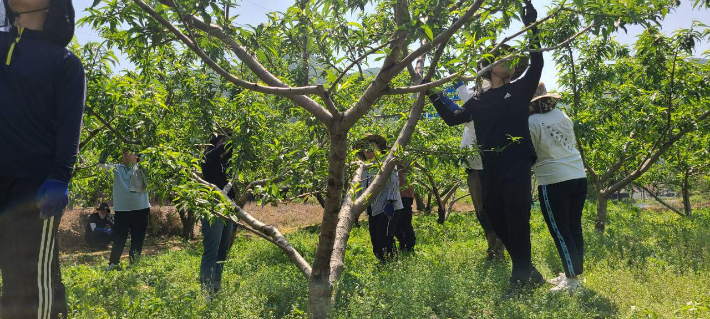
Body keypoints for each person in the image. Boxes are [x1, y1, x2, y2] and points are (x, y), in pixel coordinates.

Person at [427, 0, 544, 289]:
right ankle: (529, 271)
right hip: (489, 166)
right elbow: (454, 118)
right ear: (490, 66)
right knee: (494, 216)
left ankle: (520, 277)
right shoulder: (478, 100)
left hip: (516, 163)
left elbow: (538, 62)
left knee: (516, 217)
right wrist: (430, 91)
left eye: (510, 61)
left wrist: (532, 26)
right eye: (502, 59)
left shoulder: (519, 90)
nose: (508, 62)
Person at [0, 0, 84, 317]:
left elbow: (68, 127)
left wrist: (59, 177)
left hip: (33, 190)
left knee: (30, 282)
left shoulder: (65, 63)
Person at [528, 83, 588, 292]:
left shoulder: (532, 122)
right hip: (578, 175)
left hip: (554, 180)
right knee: (573, 227)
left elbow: (531, 153)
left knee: (560, 230)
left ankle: (572, 281)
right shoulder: (562, 115)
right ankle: (573, 272)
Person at [454, 80, 505, 260]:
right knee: (490, 208)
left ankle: (495, 247)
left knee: (484, 209)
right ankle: (495, 246)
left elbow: (461, 95)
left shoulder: (476, 103)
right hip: (486, 165)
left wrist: (454, 80)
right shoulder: (495, 105)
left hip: (478, 166)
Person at [99, 149, 151, 268]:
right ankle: (113, 263)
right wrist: (106, 150)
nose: (125, 154)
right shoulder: (117, 168)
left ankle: (134, 263)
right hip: (122, 211)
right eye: (124, 152)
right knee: (119, 238)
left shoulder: (142, 168)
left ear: (136, 156)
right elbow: (101, 166)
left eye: (130, 152)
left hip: (141, 209)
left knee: (138, 239)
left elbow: (153, 162)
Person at [357, 134, 403, 263]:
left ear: (378, 147)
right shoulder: (364, 169)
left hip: (388, 207)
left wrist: (390, 201)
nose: (367, 150)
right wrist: (356, 209)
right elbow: (360, 189)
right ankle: (382, 263)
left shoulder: (387, 163)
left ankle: (392, 264)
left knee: (385, 237)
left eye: (371, 146)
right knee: (375, 238)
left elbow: (394, 181)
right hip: (373, 209)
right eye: (364, 147)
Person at [200, 133, 236, 294]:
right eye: (224, 142)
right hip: (213, 207)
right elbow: (218, 151)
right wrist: (234, 140)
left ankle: (216, 286)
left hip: (228, 207)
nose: (227, 146)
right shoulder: (208, 159)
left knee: (223, 249)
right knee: (211, 249)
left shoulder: (226, 163)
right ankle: (205, 289)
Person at [394, 167, 416, 252]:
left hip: (404, 196)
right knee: (395, 224)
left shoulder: (404, 159)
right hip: (394, 196)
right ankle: (403, 242)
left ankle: (410, 246)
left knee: (405, 223)